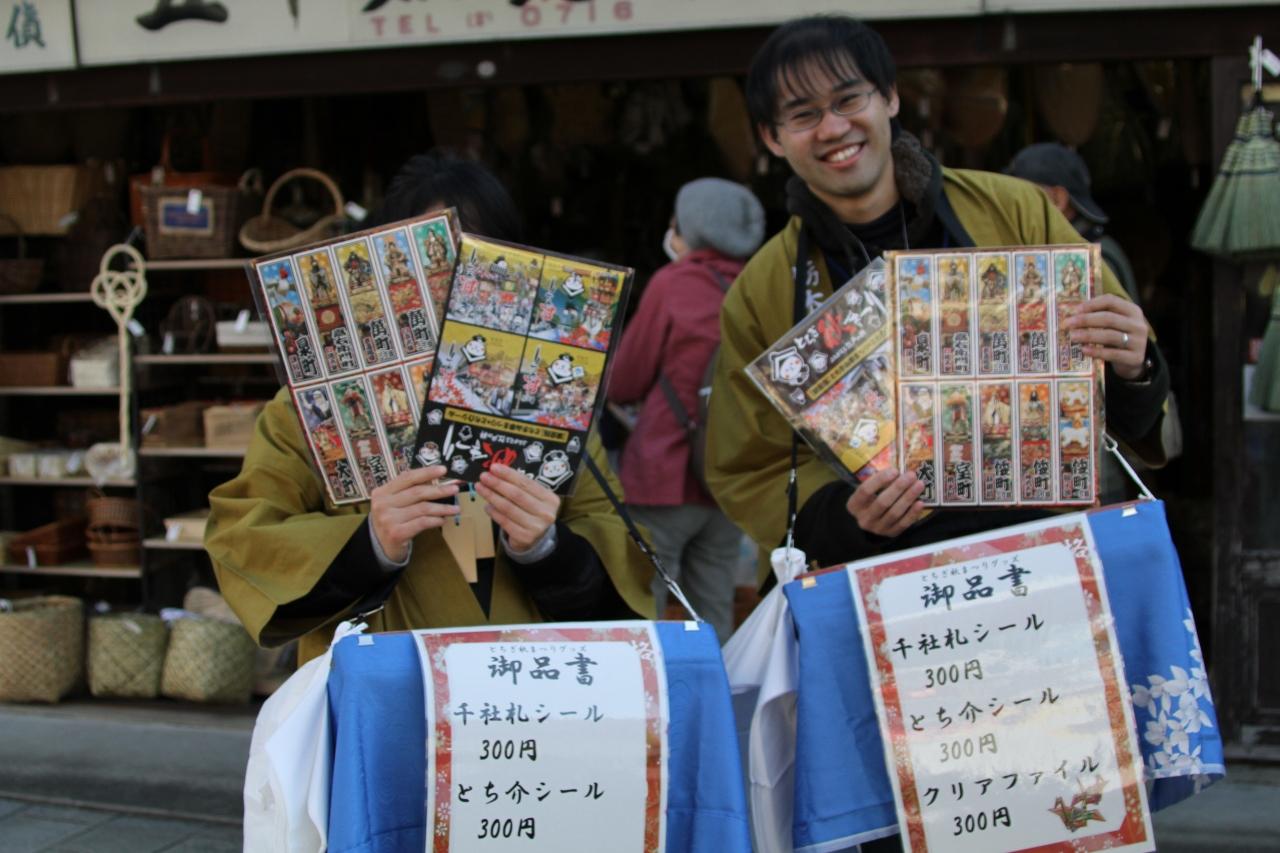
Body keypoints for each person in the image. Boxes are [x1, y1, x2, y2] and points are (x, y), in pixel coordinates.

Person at [706, 15, 1172, 582]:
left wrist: (1134, 364)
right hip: (883, 583)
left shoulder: (1015, 211)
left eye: (849, 100)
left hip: (1042, 559)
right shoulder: (763, 289)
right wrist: (846, 517)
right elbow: (748, 467)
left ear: (890, 98)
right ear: (772, 137)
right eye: (804, 115)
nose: (833, 128)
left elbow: (1122, 394)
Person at [206, 150, 654, 666]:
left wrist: (547, 547)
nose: (454, 285)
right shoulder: (311, 406)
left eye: (477, 260)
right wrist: (370, 542)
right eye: (431, 260)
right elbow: (246, 537)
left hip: (526, 684)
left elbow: (615, 541)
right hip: (383, 683)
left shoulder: (553, 401)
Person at [607, 178, 766, 643]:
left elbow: (625, 380)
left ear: (693, 228)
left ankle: (653, 691)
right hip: (727, 479)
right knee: (713, 613)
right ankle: (718, 689)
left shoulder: (673, 284)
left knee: (646, 605)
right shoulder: (759, 288)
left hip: (664, 476)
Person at [1004, 141, 1140, 304]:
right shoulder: (1075, 250)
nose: (1011, 204)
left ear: (1057, 199)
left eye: (1020, 194)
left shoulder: (1092, 260)